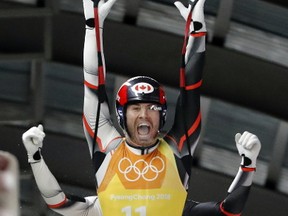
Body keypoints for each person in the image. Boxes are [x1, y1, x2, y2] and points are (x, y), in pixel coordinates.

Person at [22, 0, 261, 215]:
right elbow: (92, 83)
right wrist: (92, 29)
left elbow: (228, 211)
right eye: (135, 108)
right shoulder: (108, 149)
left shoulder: (176, 149)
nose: (145, 114)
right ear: (121, 114)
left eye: (152, 108)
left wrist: (197, 34)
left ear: (163, 114)